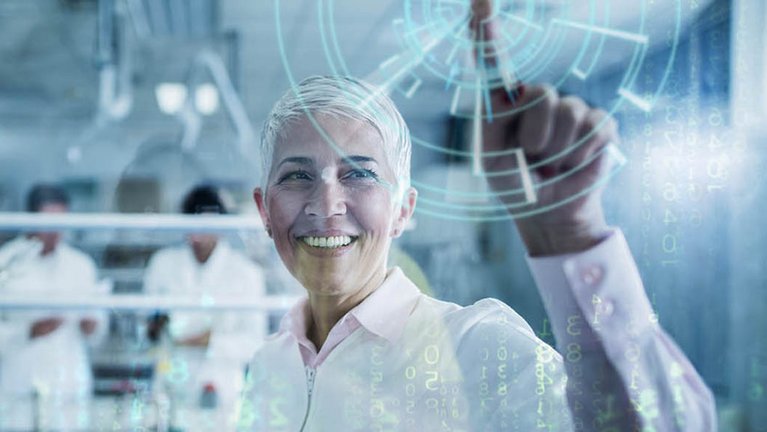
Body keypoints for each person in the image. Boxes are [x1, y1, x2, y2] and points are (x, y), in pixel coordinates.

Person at [235, 70, 716, 431]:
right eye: (297, 175)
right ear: (264, 208)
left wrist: (573, 238)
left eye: (359, 173)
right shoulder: (267, 365)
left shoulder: (477, 347)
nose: (326, 204)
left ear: (403, 210)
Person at [143, 185, 267, 409]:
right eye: (193, 226)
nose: (199, 236)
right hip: (171, 383)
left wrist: (211, 341)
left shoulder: (245, 273)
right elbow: (147, 326)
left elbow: (255, 343)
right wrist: (155, 328)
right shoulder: (163, 264)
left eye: (207, 226)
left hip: (222, 388)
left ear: (221, 226)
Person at [0, 184, 107, 431]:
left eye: (61, 221)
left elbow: (98, 327)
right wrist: (28, 332)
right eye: (48, 221)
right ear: (30, 218)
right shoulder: (6, 262)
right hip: (19, 383)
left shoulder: (80, 265)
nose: (54, 231)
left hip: (67, 384)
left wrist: (92, 326)